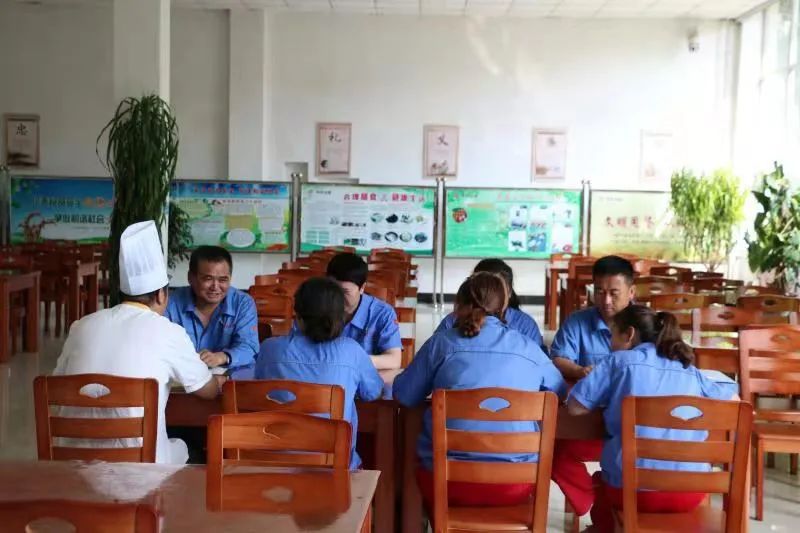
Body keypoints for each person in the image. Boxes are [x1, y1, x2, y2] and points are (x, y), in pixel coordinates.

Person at [393, 272, 565, 514]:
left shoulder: (442, 343)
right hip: (516, 483)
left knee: (415, 452)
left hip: (447, 483)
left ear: (458, 305)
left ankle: (435, 522)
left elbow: (404, 395)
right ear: (504, 307)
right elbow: (560, 392)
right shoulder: (529, 348)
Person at [52, 221, 219, 464]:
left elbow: (56, 385)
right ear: (161, 295)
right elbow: (208, 391)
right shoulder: (169, 332)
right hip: (140, 473)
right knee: (187, 446)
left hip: (72, 467)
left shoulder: (81, 326)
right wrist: (218, 380)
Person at [567, 305, 738, 532]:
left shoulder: (617, 362)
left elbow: (575, 408)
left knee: (605, 483)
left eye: (612, 335)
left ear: (629, 334)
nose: (609, 342)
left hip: (632, 493)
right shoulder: (688, 369)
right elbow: (735, 402)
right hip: (690, 493)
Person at [253, 277, 384, 470]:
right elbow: (373, 392)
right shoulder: (352, 351)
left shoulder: (269, 348)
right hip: (334, 468)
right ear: (341, 317)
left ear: (298, 316)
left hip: (274, 465)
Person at [549, 255, 636, 517]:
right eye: (599, 291)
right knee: (551, 453)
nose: (606, 301)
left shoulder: (646, 325)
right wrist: (579, 371)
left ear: (631, 292)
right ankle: (593, 499)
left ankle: (605, 503)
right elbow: (558, 358)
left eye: (614, 293)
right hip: (589, 422)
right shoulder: (578, 321)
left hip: (630, 432)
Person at [165, 245, 258, 372]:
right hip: (182, 375)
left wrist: (222, 357)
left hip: (229, 376)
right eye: (208, 279)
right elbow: (161, 346)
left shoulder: (242, 303)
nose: (215, 287)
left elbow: (249, 347)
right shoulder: (171, 303)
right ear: (191, 278)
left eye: (223, 280)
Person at [433, 258, 546, 352]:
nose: (489, 297)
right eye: (482, 290)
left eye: (497, 292)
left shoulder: (525, 325)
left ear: (509, 292)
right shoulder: (451, 321)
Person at [326, 253, 402, 373]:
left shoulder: (382, 313)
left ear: (362, 288)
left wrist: (350, 360)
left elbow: (394, 360)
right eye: (333, 290)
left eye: (345, 292)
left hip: (364, 378)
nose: (337, 297)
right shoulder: (317, 306)